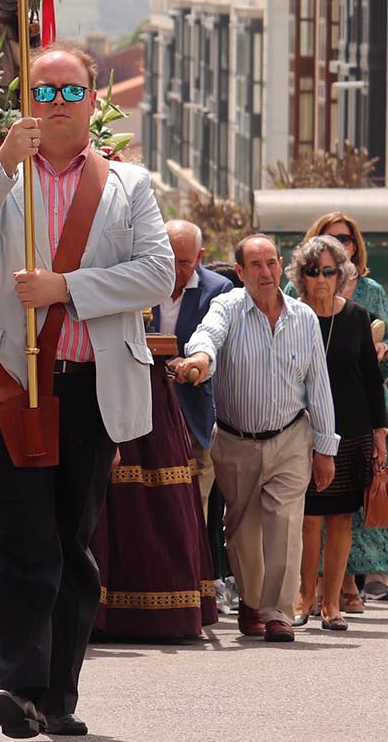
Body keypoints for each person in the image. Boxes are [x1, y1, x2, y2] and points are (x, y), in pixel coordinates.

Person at [0, 42, 173, 740]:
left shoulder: (128, 185)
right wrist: (1, 163)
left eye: (72, 91)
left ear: (94, 101)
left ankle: (58, 696)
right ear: (26, 101)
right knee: (22, 539)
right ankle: (19, 689)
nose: (59, 102)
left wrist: (65, 288)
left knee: (71, 543)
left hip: (90, 388)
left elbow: (157, 273)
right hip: (9, 387)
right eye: (45, 91)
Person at [173, 234, 338, 643]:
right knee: (242, 528)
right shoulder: (228, 306)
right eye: (256, 265)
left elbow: (318, 385)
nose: (265, 273)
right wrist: (199, 359)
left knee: (285, 523)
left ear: (281, 265)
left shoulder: (303, 318)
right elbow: (207, 336)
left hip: (291, 437)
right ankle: (250, 600)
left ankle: (278, 613)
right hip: (235, 440)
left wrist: (325, 449)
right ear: (240, 271)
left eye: (271, 263)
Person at [296, 211, 388, 604]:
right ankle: (310, 591)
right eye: (331, 237)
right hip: (306, 413)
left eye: (347, 239)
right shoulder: (295, 297)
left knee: (353, 506)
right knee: (311, 511)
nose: (340, 245)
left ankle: (350, 585)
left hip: (358, 404)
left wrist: (383, 348)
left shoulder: (369, 292)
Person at [288, 235, 384, 632]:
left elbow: (372, 378)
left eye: (329, 271)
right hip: (304, 429)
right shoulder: (292, 315)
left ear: (341, 274)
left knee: (342, 517)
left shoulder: (357, 316)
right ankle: (304, 596)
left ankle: (332, 604)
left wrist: (379, 434)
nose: (321, 279)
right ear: (302, 276)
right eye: (313, 271)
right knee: (309, 518)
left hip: (352, 428)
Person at [149, 220, 234, 590]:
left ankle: (191, 589)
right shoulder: (141, 281)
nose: (173, 269)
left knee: (193, 510)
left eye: (183, 262)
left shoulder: (218, 291)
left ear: (199, 258)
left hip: (195, 419)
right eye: (167, 258)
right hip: (145, 415)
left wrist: (192, 364)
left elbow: (218, 346)